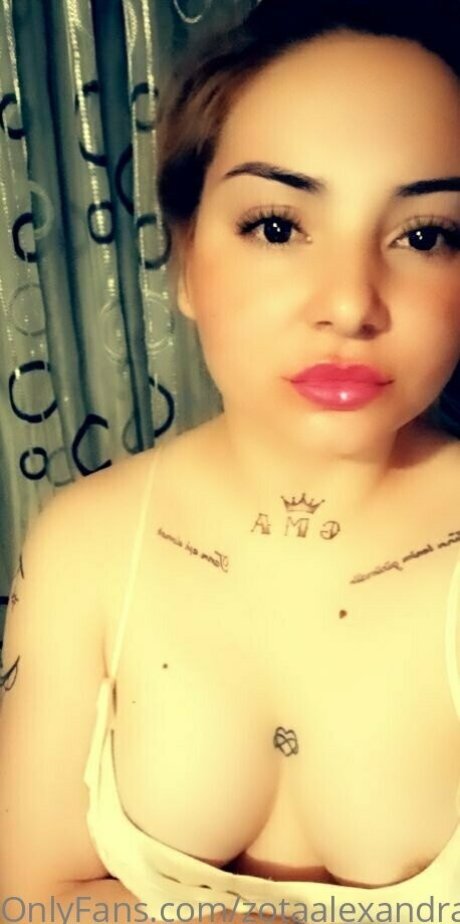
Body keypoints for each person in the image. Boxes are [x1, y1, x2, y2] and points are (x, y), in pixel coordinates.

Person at [1, 0, 460, 919]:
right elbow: (26, 892)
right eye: (278, 226)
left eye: (425, 235)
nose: (349, 304)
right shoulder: (86, 543)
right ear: (184, 257)